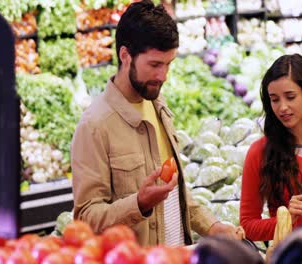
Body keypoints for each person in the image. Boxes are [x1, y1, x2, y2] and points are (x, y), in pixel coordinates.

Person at [71, 0, 241, 246]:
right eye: (154, 65)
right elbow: (86, 220)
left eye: (168, 64)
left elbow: (176, 194)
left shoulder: (157, 105)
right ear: (125, 55)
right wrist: (139, 204)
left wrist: (212, 227)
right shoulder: (95, 126)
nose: (163, 76)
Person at [239, 54, 302, 242]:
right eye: (274, 99)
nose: (282, 107)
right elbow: (247, 225)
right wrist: (285, 220)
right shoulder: (260, 152)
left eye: (290, 97)